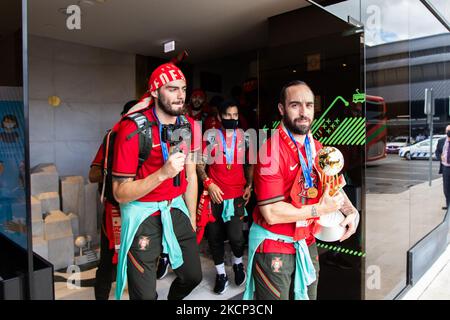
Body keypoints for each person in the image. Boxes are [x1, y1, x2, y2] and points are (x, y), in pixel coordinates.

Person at [243, 80, 359, 300]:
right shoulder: (270, 151)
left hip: (306, 242)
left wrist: (351, 211)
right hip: (273, 246)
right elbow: (271, 213)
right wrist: (318, 210)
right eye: (295, 105)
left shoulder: (318, 148)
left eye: (308, 105)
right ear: (281, 109)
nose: (303, 112)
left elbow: (333, 186)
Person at [112, 62, 202, 300]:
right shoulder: (133, 130)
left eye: (183, 88)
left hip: (176, 207)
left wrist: (191, 216)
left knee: (193, 276)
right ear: (154, 92)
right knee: (143, 296)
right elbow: (120, 193)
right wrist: (162, 173)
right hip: (142, 213)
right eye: (172, 89)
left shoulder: (189, 126)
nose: (181, 95)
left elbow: (191, 176)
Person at [196, 99, 254, 294]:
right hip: (215, 195)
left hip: (237, 195)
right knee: (214, 237)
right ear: (220, 117)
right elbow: (199, 164)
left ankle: (238, 264)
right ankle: (221, 274)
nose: (232, 119)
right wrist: (208, 183)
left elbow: (250, 163)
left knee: (237, 236)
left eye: (235, 115)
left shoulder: (245, 137)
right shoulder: (211, 137)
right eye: (228, 115)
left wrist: (250, 185)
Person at [88, 99, 138, 300]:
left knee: (140, 258)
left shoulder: (149, 138)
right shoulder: (111, 138)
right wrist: (114, 173)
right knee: (108, 260)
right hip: (115, 208)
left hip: (140, 208)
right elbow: (93, 174)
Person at [435, 125, 450, 210]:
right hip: (446, 167)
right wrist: (440, 157)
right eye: (448, 130)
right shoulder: (441, 141)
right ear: (445, 131)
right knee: (446, 188)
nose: (449, 132)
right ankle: (448, 205)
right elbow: (437, 152)